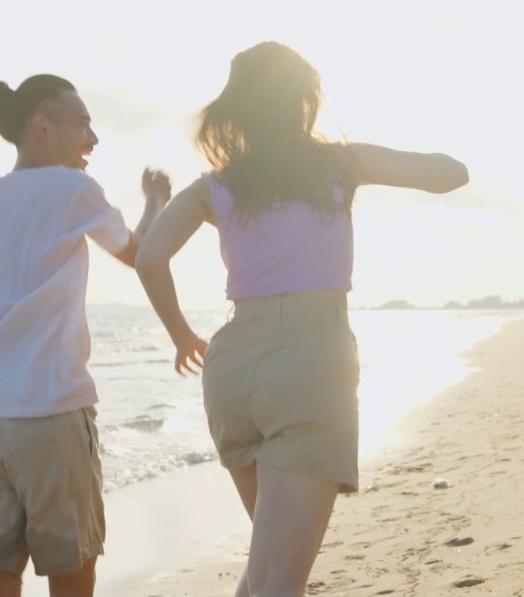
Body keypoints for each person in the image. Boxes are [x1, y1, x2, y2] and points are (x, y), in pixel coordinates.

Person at [134, 41, 469, 597]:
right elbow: (450, 175)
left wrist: (181, 336)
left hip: (232, 367)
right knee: (279, 581)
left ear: (236, 110)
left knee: (267, 570)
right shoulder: (340, 162)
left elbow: (149, 257)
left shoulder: (216, 185)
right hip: (311, 362)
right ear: (305, 101)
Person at [0, 75, 171, 597]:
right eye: (82, 124)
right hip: (46, 413)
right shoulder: (71, 189)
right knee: (70, 568)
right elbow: (141, 256)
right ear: (42, 126)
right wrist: (156, 201)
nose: (92, 139)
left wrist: (1, 293)